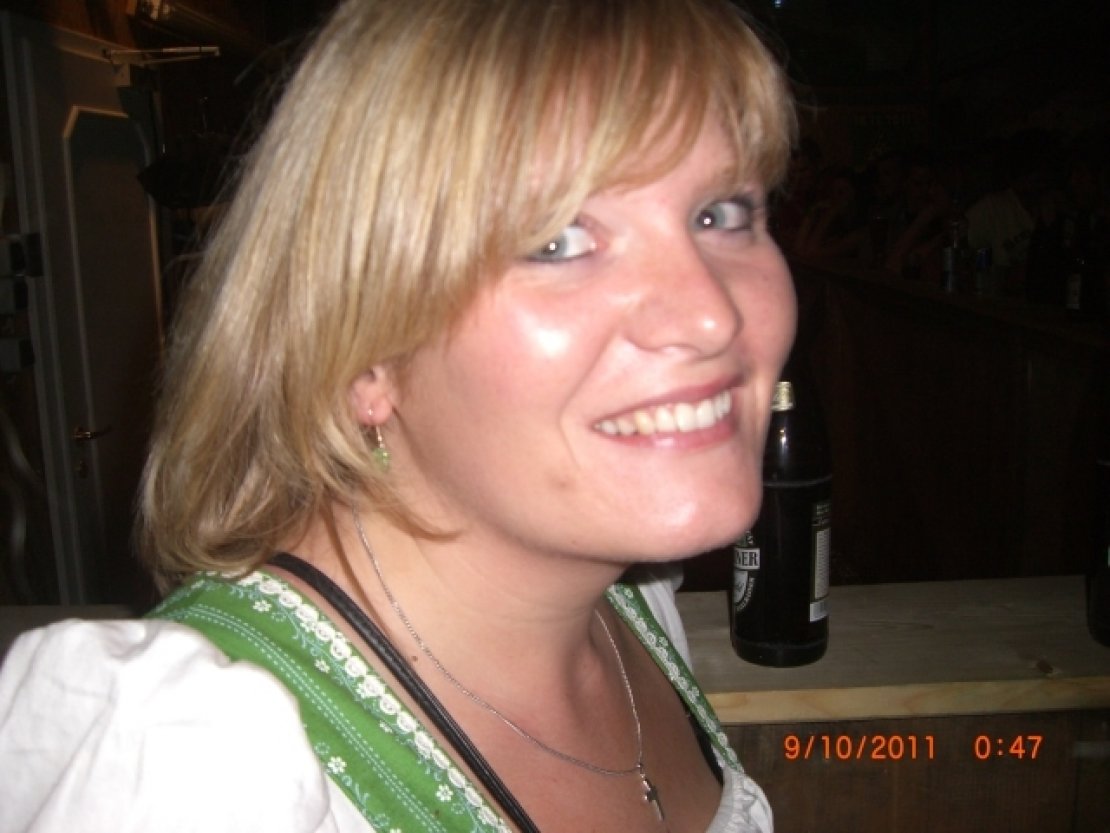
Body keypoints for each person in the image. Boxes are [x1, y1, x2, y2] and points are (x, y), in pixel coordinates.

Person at [0, 0, 797, 831]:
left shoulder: (625, 596)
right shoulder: (194, 773)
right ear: (361, 351)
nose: (711, 315)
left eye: (721, 213)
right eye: (558, 240)